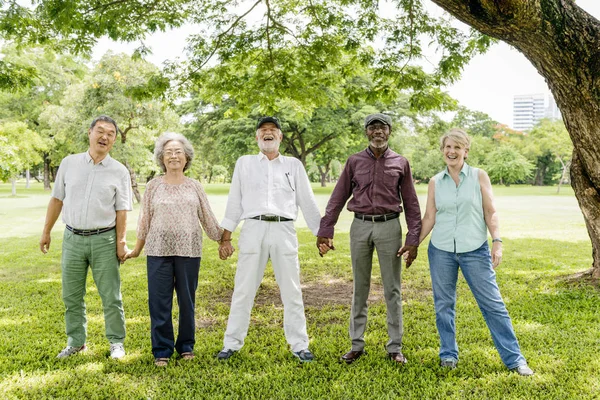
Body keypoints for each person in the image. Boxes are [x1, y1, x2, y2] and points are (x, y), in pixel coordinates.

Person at [417, 128, 533, 376]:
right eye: (448, 147)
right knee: (443, 306)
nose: (452, 151)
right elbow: (429, 217)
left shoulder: (479, 176)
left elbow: (490, 211)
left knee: (493, 305)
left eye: (457, 147)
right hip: (441, 250)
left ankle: (515, 359)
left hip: (475, 250)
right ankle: (448, 354)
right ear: (442, 150)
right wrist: (412, 243)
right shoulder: (435, 182)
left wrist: (497, 241)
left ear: (465, 151)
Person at [317, 113, 422, 365]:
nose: (378, 131)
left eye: (382, 127)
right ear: (366, 132)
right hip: (360, 227)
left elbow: (411, 203)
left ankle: (394, 347)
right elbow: (338, 197)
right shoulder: (354, 161)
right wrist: (326, 229)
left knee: (392, 289)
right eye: (372, 127)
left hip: (389, 228)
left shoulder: (401, 162)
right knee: (359, 288)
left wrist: (413, 238)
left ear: (389, 132)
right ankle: (356, 345)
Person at [217, 116, 322, 362]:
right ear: (256, 137)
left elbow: (307, 202)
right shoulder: (244, 163)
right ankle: (231, 344)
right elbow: (234, 201)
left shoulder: (293, 165)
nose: (268, 133)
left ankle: (299, 345)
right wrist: (226, 237)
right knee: (243, 289)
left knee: (292, 291)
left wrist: (321, 235)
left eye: (273, 130)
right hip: (253, 228)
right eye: (263, 130)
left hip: (284, 230)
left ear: (280, 137)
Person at [123, 132, 225, 367]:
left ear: (186, 157)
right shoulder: (152, 186)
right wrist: (137, 249)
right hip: (158, 251)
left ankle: (186, 346)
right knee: (159, 302)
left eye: (178, 151)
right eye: (168, 152)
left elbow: (207, 217)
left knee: (187, 301)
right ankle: (162, 349)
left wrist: (222, 239)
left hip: (189, 251)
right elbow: (144, 220)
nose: (173, 156)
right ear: (162, 158)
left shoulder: (195, 186)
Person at [40, 115, 132, 359]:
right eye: (100, 131)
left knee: (111, 296)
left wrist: (121, 243)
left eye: (110, 133)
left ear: (114, 140)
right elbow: (57, 199)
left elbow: (122, 210)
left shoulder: (119, 171)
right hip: (72, 239)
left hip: (105, 240)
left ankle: (116, 343)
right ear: (89, 132)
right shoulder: (69, 163)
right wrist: (46, 231)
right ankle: (76, 342)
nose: (104, 136)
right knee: (71, 295)